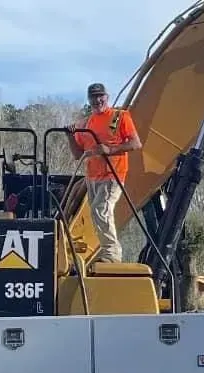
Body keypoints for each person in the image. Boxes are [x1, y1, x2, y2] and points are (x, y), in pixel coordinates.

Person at [66, 82, 142, 263]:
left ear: (107, 97)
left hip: (113, 174)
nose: (97, 100)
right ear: (89, 100)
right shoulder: (86, 123)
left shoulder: (119, 117)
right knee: (95, 213)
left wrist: (109, 150)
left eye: (101, 96)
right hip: (92, 177)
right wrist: (70, 136)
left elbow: (135, 143)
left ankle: (112, 253)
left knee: (101, 210)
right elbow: (78, 154)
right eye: (93, 97)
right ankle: (106, 250)